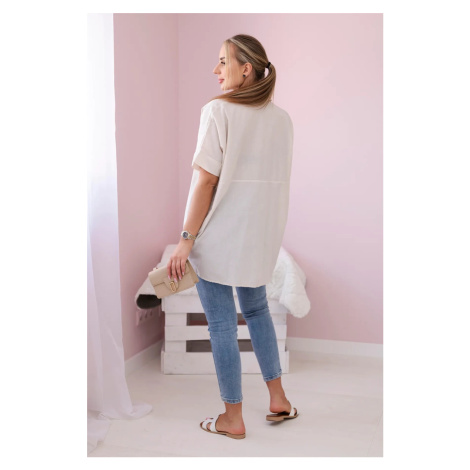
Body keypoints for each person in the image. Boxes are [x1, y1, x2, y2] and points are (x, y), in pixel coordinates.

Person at [167, 34, 298, 439]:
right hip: (260, 237)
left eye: (223, 61)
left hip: (218, 238)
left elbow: (206, 181)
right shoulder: (282, 120)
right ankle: (278, 399)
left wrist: (186, 238)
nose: (215, 70)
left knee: (222, 325)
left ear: (246, 68)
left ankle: (232, 417)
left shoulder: (217, 111)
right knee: (257, 312)